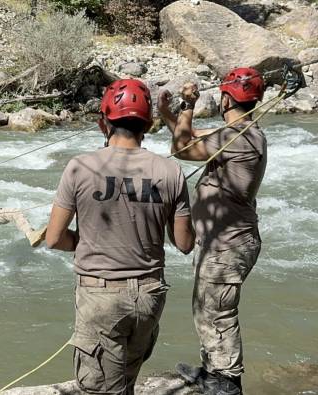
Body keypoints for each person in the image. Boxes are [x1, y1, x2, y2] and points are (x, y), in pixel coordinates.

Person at [46, 79, 195, 394]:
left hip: (102, 299)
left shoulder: (79, 167)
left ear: (104, 123)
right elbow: (185, 244)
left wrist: (84, 243)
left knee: (101, 389)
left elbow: (53, 238)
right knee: (125, 382)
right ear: (148, 125)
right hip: (150, 298)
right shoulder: (171, 172)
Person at [158, 68, 267, 395]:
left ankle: (226, 382)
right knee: (208, 308)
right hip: (227, 240)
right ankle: (214, 371)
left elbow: (183, 150)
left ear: (225, 98)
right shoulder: (242, 133)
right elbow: (191, 137)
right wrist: (169, 114)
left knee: (216, 311)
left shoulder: (238, 138)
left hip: (228, 243)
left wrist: (188, 106)